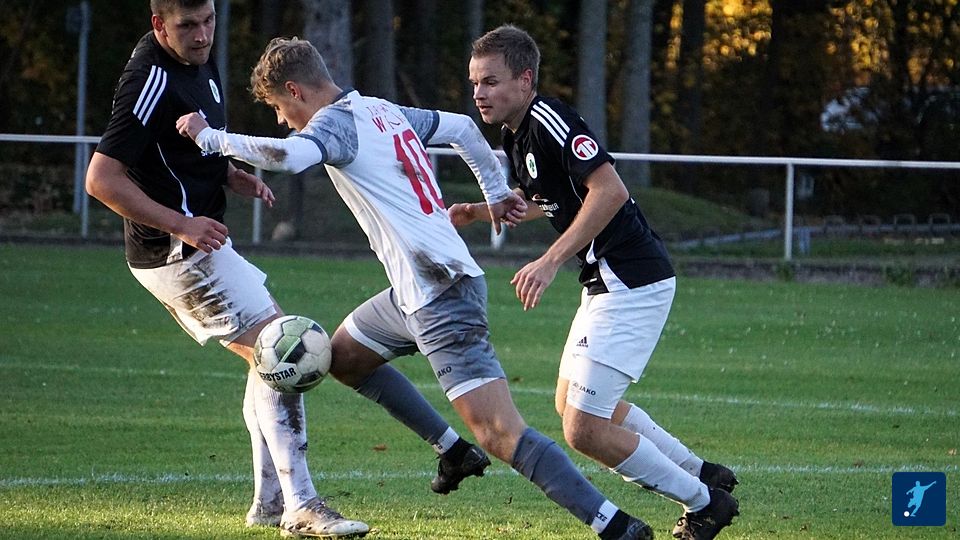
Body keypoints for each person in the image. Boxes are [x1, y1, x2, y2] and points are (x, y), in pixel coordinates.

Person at [177, 36, 658, 540]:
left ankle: (615, 525)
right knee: (343, 358)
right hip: (415, 291)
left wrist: (211, 138)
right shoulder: (382, 110)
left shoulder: (334, 124)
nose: (282, 119)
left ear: (295, 90)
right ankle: (452, 451)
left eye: (279, 107)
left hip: (440, 295)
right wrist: (495, 194)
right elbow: (464, 128)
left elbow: (289, 156)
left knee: (500, 432)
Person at [450, 24, 741, 540]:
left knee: (583, 427)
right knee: (571, 406)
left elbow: (608, 191)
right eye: (475, 82)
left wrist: (550, 260)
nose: (479, 93)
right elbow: (551, 197)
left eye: (490, 81)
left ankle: (705, 503)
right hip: (607, 280)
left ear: (525, 80)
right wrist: (481, 210)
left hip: (631, 277)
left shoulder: (551, 119)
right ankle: (704, 474)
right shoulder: (516, 134)